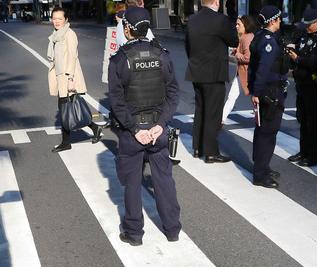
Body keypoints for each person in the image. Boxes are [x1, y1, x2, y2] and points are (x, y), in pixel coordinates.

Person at [108, 7, 181, 246]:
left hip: (132, 133)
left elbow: (117, 102)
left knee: (132, 184)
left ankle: (134, 233)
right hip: (158, 131)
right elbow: (173, 94)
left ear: (127, 29)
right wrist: (160, 125)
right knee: (164, 181)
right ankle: (172, 230)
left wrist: (135, 130)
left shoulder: (119, 60)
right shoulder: (163, 55)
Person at [185, 0, 239, 163]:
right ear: (215, 2)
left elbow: (187, 45)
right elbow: (233, 41)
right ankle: (210, 152)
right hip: (214, 72)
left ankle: (197, 147)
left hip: (196, 71)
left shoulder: (192, 20)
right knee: (213, 113)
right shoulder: (220, 20)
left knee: (200, 110)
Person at [48, 6, 102, 153]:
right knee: (66, 109)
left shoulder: (69, 34)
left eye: (60, 18)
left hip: (68, 77)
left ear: (66, 20)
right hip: (60, 78)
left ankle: (66, 142)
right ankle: (95, 128)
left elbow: (72, 56)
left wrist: (71, 78)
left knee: (65, 109)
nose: (57, 21)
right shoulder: (56, 35)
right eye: (54, 18)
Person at [248, 5, 290, 189]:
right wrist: (256, 92)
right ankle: (260, 174)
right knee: (267, 133)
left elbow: (253, 68)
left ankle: (261, 166)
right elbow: (263, 69)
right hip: (271, 91)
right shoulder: (269, 42)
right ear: (272, 21)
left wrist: (255, 90)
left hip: (266, 90)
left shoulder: (259, 37)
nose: (280, 22)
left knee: (262, 131)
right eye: (279, 19)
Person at [285, 7, 317, 167]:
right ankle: (304, 151)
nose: (306, 27)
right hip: (302, 84)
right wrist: (292, 54)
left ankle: (315, 156)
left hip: (315, 84)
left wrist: (298, 58)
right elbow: (298, 54)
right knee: (303, 119)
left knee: (315, 122)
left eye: (309, 24)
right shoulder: (304, 36)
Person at [233, 15, 257, 96]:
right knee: (232, 96)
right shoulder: (245, 36)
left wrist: (237, 54)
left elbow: (248, 57)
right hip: (243, 72)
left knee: (255, 98)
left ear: (246, 25)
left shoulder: (247, 38)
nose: (236, 26)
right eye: (236, 24)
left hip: (247, 73)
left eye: (239, 24)